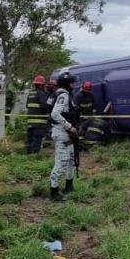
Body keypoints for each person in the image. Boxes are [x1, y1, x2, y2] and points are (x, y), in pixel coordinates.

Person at [48, 72, 79, 201]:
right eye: (72, 82)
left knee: (72, 160)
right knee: (61, 162)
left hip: (66, 134)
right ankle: (54, 192)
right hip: (62, 133)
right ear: (67, 84)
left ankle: (69, 186)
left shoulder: (57, 94)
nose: (74, 85)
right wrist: (69, 126)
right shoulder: (63, 96)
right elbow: (55, 114)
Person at [25, 75, 49, 154]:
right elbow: (44, 106)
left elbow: (27, 105)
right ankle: (35, 155)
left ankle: (28, 153)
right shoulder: (41, 93)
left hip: (30, 120)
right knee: (37, 138)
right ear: (42, 85)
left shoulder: (31, 93)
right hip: (39, 121)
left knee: (30, 138)